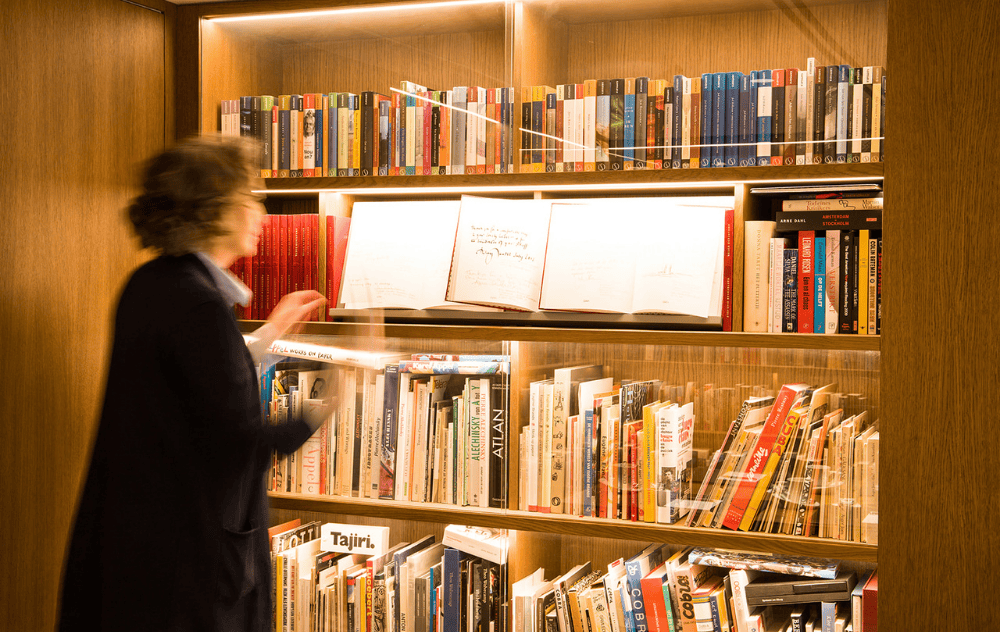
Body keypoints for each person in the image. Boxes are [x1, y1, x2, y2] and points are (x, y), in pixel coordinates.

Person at [57, 135, 328, 632]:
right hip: (186, 565)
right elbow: (239, 439)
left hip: (139, 547)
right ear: (218, 208)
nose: (262, 215)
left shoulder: (156, 282)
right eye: (253, 198)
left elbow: (196, 389)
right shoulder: (200, 304)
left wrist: (269, 333)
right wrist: (328, 403)